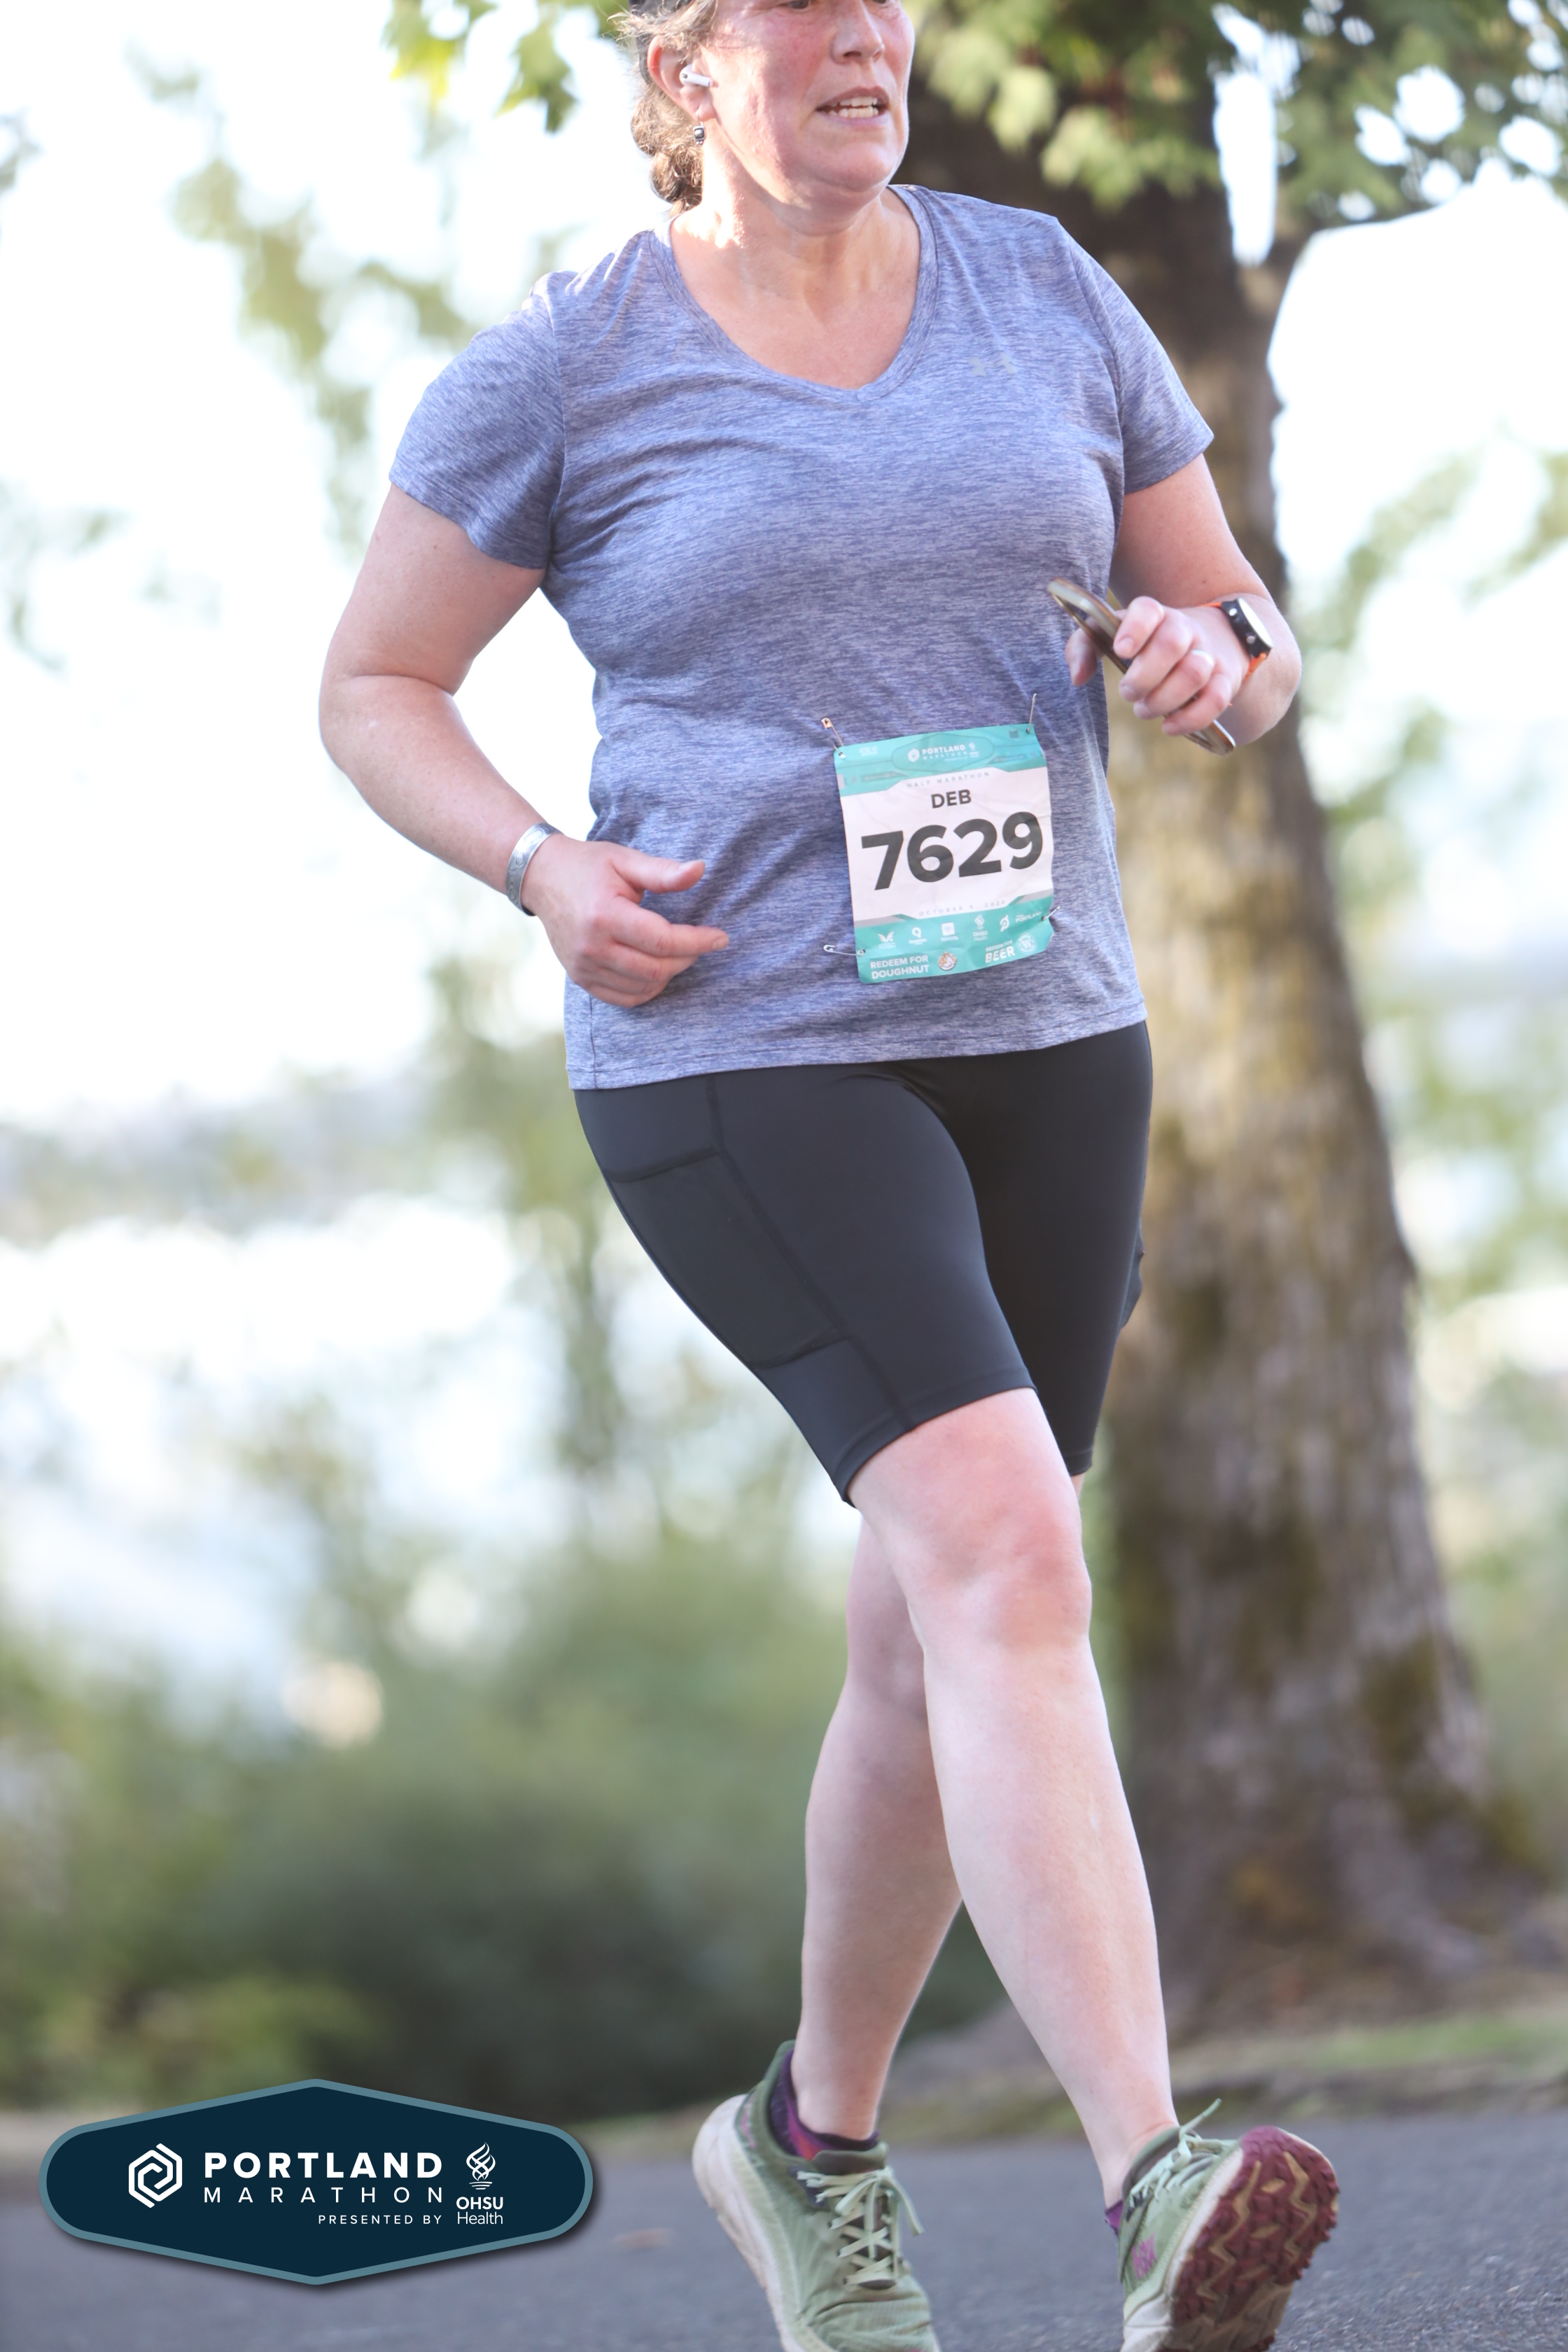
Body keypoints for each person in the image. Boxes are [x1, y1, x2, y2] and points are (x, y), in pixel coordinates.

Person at [319, 0, 1342, 2342]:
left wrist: (1217, 662)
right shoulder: (566, 364)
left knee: (933, 1622)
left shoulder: (1041, 287)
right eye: (804, 7)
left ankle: (811, 2143)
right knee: (1006, 1545)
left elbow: (1248, 620)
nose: (866, 31)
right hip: (742, 1043)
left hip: (1047, 1033)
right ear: (687, 60)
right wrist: (540, 867)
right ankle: (1156, 2181)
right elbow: (374, 685)